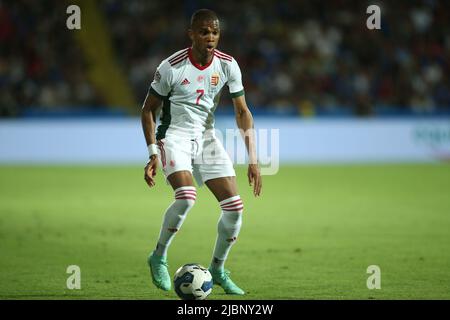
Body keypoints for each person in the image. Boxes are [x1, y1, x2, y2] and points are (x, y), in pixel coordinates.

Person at [141, 9, 262, 295]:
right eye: (204, 32)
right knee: (186, 197)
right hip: (173, 137)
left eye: (215, 32)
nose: (210, 37)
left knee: (234, 208)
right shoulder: (172, 66)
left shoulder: (228, 65)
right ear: (191, 34)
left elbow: (242, 111)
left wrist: (253, 159)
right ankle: (158, 256)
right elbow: (148, 110)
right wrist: (152, 153)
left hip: (206, 138)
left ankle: (218, 269)